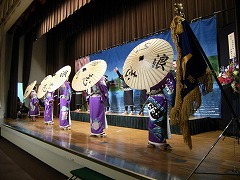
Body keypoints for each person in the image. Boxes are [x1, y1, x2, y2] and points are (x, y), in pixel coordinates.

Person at [146, 72, 176, 150]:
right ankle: (161, 143)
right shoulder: (163, 72)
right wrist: (172, 102)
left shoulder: (147, 73)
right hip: (160, 99)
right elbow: (170, 89)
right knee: (160, 121)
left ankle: (151, 141)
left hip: (151, 99)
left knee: (152, 120)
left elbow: (146, 89)